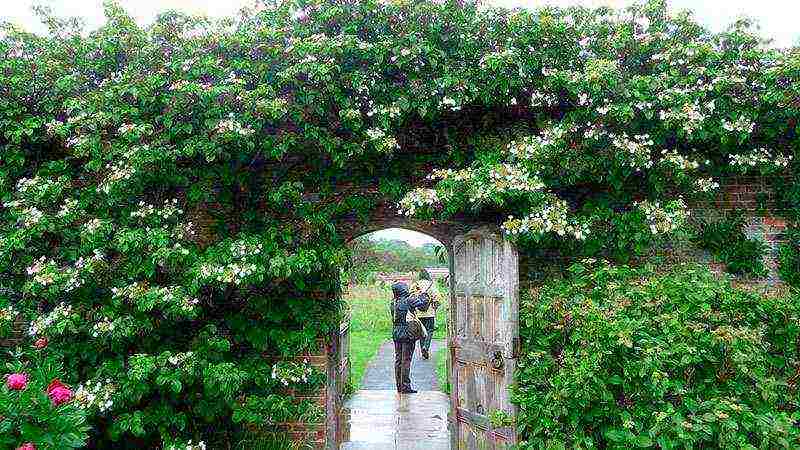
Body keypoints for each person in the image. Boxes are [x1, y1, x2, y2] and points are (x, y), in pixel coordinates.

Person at [390, 281, 428, 394]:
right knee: (406, 360)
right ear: (403, 290)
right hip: (408, 334)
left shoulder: (393, 302)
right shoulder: (409, 300)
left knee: (398, 360)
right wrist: (423, 294)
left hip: (397, 333)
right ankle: (405, 386)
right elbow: (423, 304)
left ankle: (399, 386)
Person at [412, 279, 440, 359]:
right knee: (430, 330)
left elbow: (411, 296)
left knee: (421, 332)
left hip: (418, 313)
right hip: (430, 313)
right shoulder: (431, 285)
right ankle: (426, 347)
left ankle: (422, 350)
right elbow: (437, 297)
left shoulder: (416, 284)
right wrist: (435, 306)